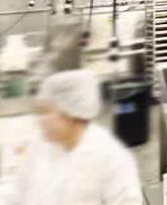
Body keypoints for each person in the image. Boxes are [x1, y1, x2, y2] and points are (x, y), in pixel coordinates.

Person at [14, 70, 142, 205]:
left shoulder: (112, 158)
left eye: (46, 111)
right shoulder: (37, 148)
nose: (41, 120)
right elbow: (14, 195)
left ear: (70, 113)